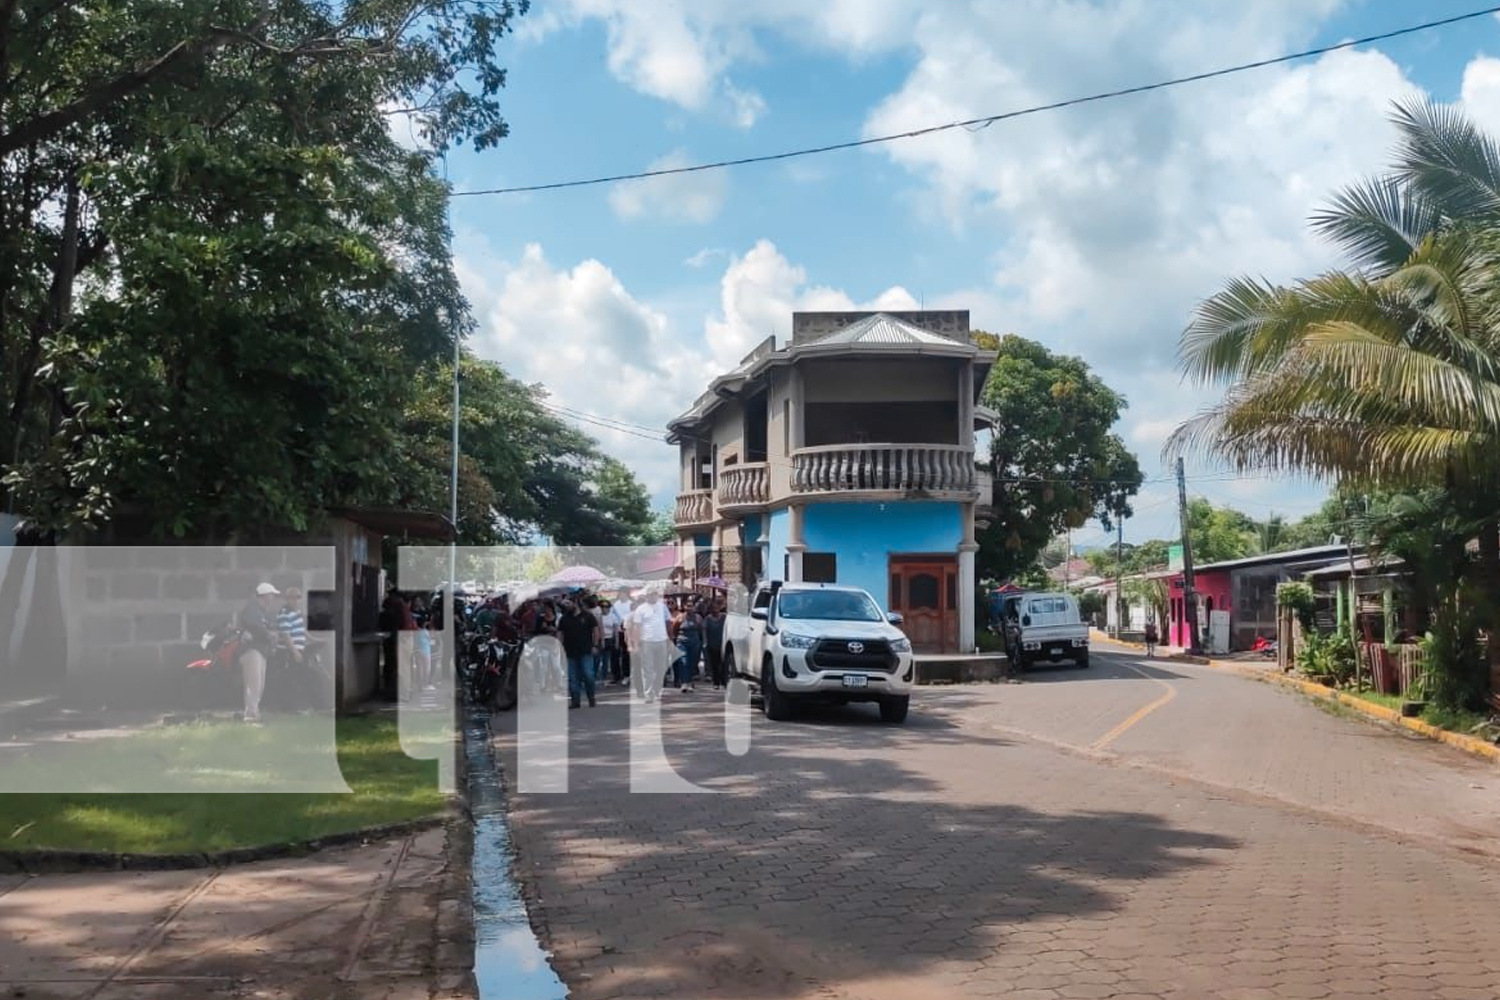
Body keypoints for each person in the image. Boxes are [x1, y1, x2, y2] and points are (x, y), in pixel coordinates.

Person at [238, 582, 281, 724]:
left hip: (261, 651)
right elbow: (254, 626)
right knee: (253, 682)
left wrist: (272, 634)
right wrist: (269, 634)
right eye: (272, 595)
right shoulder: (252, 609)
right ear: (265, 596)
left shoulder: (262, 612)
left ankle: (254, 713)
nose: (274, 598)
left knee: (259, 684)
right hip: (252, 650)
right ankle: (250, 716)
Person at [627, 586, 673, 703]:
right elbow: (637, 628)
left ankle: (657, 691)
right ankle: (649, 693)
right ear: (646, 596)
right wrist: (636, 644)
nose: (653, 596)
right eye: (651, 594)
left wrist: (670, 638)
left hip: (661, 641)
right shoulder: (641, 609)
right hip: (647, 642)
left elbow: (669, 622)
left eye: (655, 594)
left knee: (661, 668)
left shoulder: (663, 607)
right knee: (647, 669)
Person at [558, 599, 600, 709]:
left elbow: (595, 630)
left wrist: (595, 645)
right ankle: (575, 701)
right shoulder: (564, 618)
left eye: (568, 603)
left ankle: (591, 697)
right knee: (572, 678)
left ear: (575, 603)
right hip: (569, 652)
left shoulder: (588, 616)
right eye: (564, 604)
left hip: (585, 651)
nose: (566, 606)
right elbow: (560, 633)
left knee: (588, 675)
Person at [703, 598, 727, 689]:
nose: (715, 610)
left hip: (723, 644)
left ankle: (724, 682)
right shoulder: (707, 619)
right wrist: (705, 642)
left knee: (723, 664)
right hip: (712, 645)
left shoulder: (724, 617)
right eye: (713, 609)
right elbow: (704, 630)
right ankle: (716, 683)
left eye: (716, 608)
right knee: (714, 665)